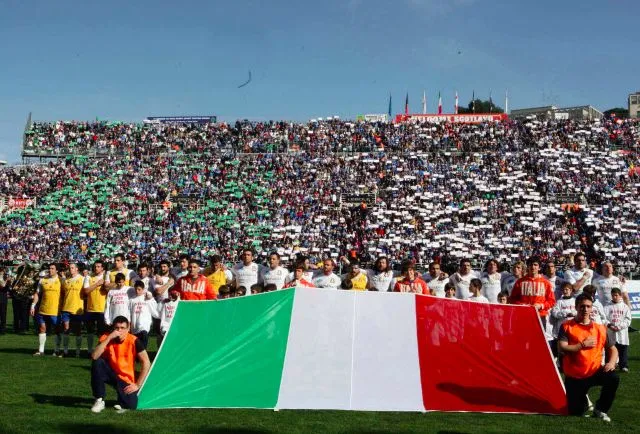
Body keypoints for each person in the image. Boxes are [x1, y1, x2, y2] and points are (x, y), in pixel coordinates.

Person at [558, 293, 619, 421]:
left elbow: (613, 349)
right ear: (576, 307)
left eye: (588, 306)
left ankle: (600, 409)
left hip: (595, 371)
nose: (585, 309)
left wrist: (612, 363)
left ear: (592, 308)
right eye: (582, 306)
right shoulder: (566, 326)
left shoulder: (600, 328)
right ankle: (583, 400)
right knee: (576, 413)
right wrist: (581, 345)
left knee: (613, 378)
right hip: (574, 376)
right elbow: (562, 347)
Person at [90, 315, 151, 413]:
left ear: (128, 328)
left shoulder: (134, 340)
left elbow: (146, 362)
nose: (119, 331)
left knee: (131, 405)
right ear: (113, 328)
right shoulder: (106, 337)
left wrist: (137, 384)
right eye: (117, 328)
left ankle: (121, 400)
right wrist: (109, 338)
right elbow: (94, 356)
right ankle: (99, 400)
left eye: (122, 328)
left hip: (125, 378)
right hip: (111, 373)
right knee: (97, 362)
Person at [509, 256, 555, 327]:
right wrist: (521, 305)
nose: (533, 267)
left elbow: (551, 301)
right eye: (530, 265)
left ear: (539, 267)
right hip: (523, 315)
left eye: (535, 265)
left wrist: (541, 306)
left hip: (540, 315)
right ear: (527, 267)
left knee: (539, 338)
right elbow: (512, 299)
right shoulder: (520, 282)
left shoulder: (546, 283)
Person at [30, 263, 62, 356]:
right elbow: (37, 293)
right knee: (42, 328)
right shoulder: (43, 280)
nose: (50, 270)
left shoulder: (61, 281)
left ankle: (56, 350)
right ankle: (41, 350)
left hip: (55, 310)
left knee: (57, 329)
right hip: (43, 309)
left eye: (52, 268)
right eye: (49, 268)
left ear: (57, 270)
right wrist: (33, 305)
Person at [60, 263, 85, 357]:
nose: (70, 269)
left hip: (77, 308)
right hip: (66, 307)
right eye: (69, 268)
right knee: (66, 329)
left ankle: (78, 351)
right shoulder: (66, 280)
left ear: (77, 269)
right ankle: (65, 351)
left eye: (72, 268)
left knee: (78, 330)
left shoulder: (82, 279)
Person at [604, 288, 631, 373]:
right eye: (613, 295)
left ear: (620, 296)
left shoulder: (625, 307)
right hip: (610, 331)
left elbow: (628, 320)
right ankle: (610, 364)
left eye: (616, 295)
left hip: (622, 332)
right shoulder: (607, 306)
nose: (614, 297)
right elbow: (604, 318)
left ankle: (623, 366)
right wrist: (609, 325)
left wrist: (619, 327)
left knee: (623, 349)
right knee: (610, 349)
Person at [83, 260, 108, 354]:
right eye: (95, 266)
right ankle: (89, 350)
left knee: (101, 332)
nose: (96, 268)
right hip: (90, 309)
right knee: (90, 331)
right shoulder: (88, 277)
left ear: (102, 268)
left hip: (102, 309)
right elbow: (86, 291)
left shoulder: (106, 278)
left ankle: (100, 351)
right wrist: (97, 284)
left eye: (98, 266)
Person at [549, 282, 577, 358]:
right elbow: (554, 313)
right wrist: (565, 314)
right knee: (562, 347)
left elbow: (578, 311)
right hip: (562, 327)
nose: (565, 291)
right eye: (563, 290)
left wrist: (573, 314)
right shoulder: (559, 302)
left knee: (573, 344)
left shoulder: (575, 301)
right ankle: (560, 362)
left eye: (567, 289)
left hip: (573, 326)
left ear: (571, 290)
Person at [128, 280, 158, 349]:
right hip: (135, 325)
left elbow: (154, 308)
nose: (137, 291)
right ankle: (137, 357)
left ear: (143, 289)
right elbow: (129, 312)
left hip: (145, 324)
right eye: (136, 289)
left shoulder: (147, 297)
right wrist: (129, 323)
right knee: (136, 344)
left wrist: (150, 299)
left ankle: (144, 355)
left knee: (144, 341)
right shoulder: (132, 300)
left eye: (139, 289)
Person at [0, 268, 9, 334]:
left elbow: (7, 288)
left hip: (3, 298)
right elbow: (2, 285)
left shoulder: (5, 277)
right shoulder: (3, 278)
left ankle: (3, 329)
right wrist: (6, 281)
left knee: (3, 314)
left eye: (3, 271)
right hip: (2, 297)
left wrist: (9, 281)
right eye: (2, 271)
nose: (3, 272)